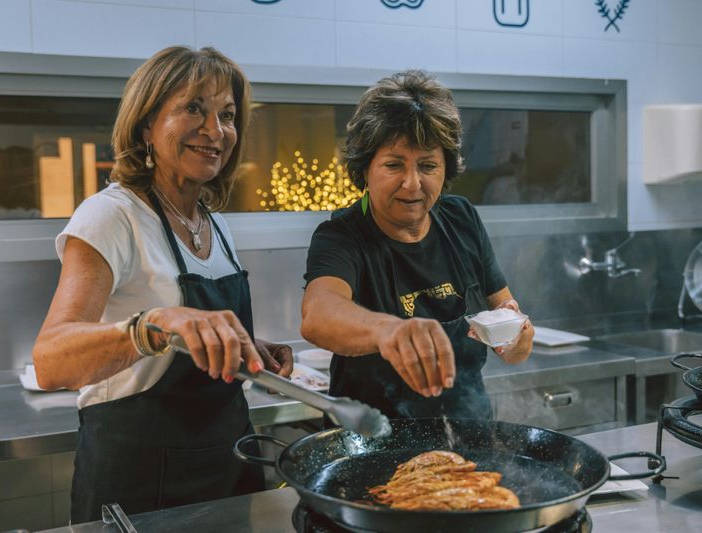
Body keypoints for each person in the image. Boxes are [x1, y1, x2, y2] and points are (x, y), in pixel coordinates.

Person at [32, 46, 293, 523]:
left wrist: (241, 345)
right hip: (141, 482)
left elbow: (186, 339)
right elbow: (50, 359)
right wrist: (151, 326)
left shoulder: (213, 224)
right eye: (194, 108)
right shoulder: (112, 215)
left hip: (227, 465)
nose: (215, 131)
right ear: (146, 124)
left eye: (228, 115)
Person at [300, 70, 533, 422]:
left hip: (468, 439)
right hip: (373, 446)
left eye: (427, 166)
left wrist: (517, 338)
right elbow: (318, 314)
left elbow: (509, 326)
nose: (412, 184)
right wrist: (389, 330)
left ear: (445, 169)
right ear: (366, 169)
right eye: (394, 165)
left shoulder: (461, 219)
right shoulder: (343, 235)